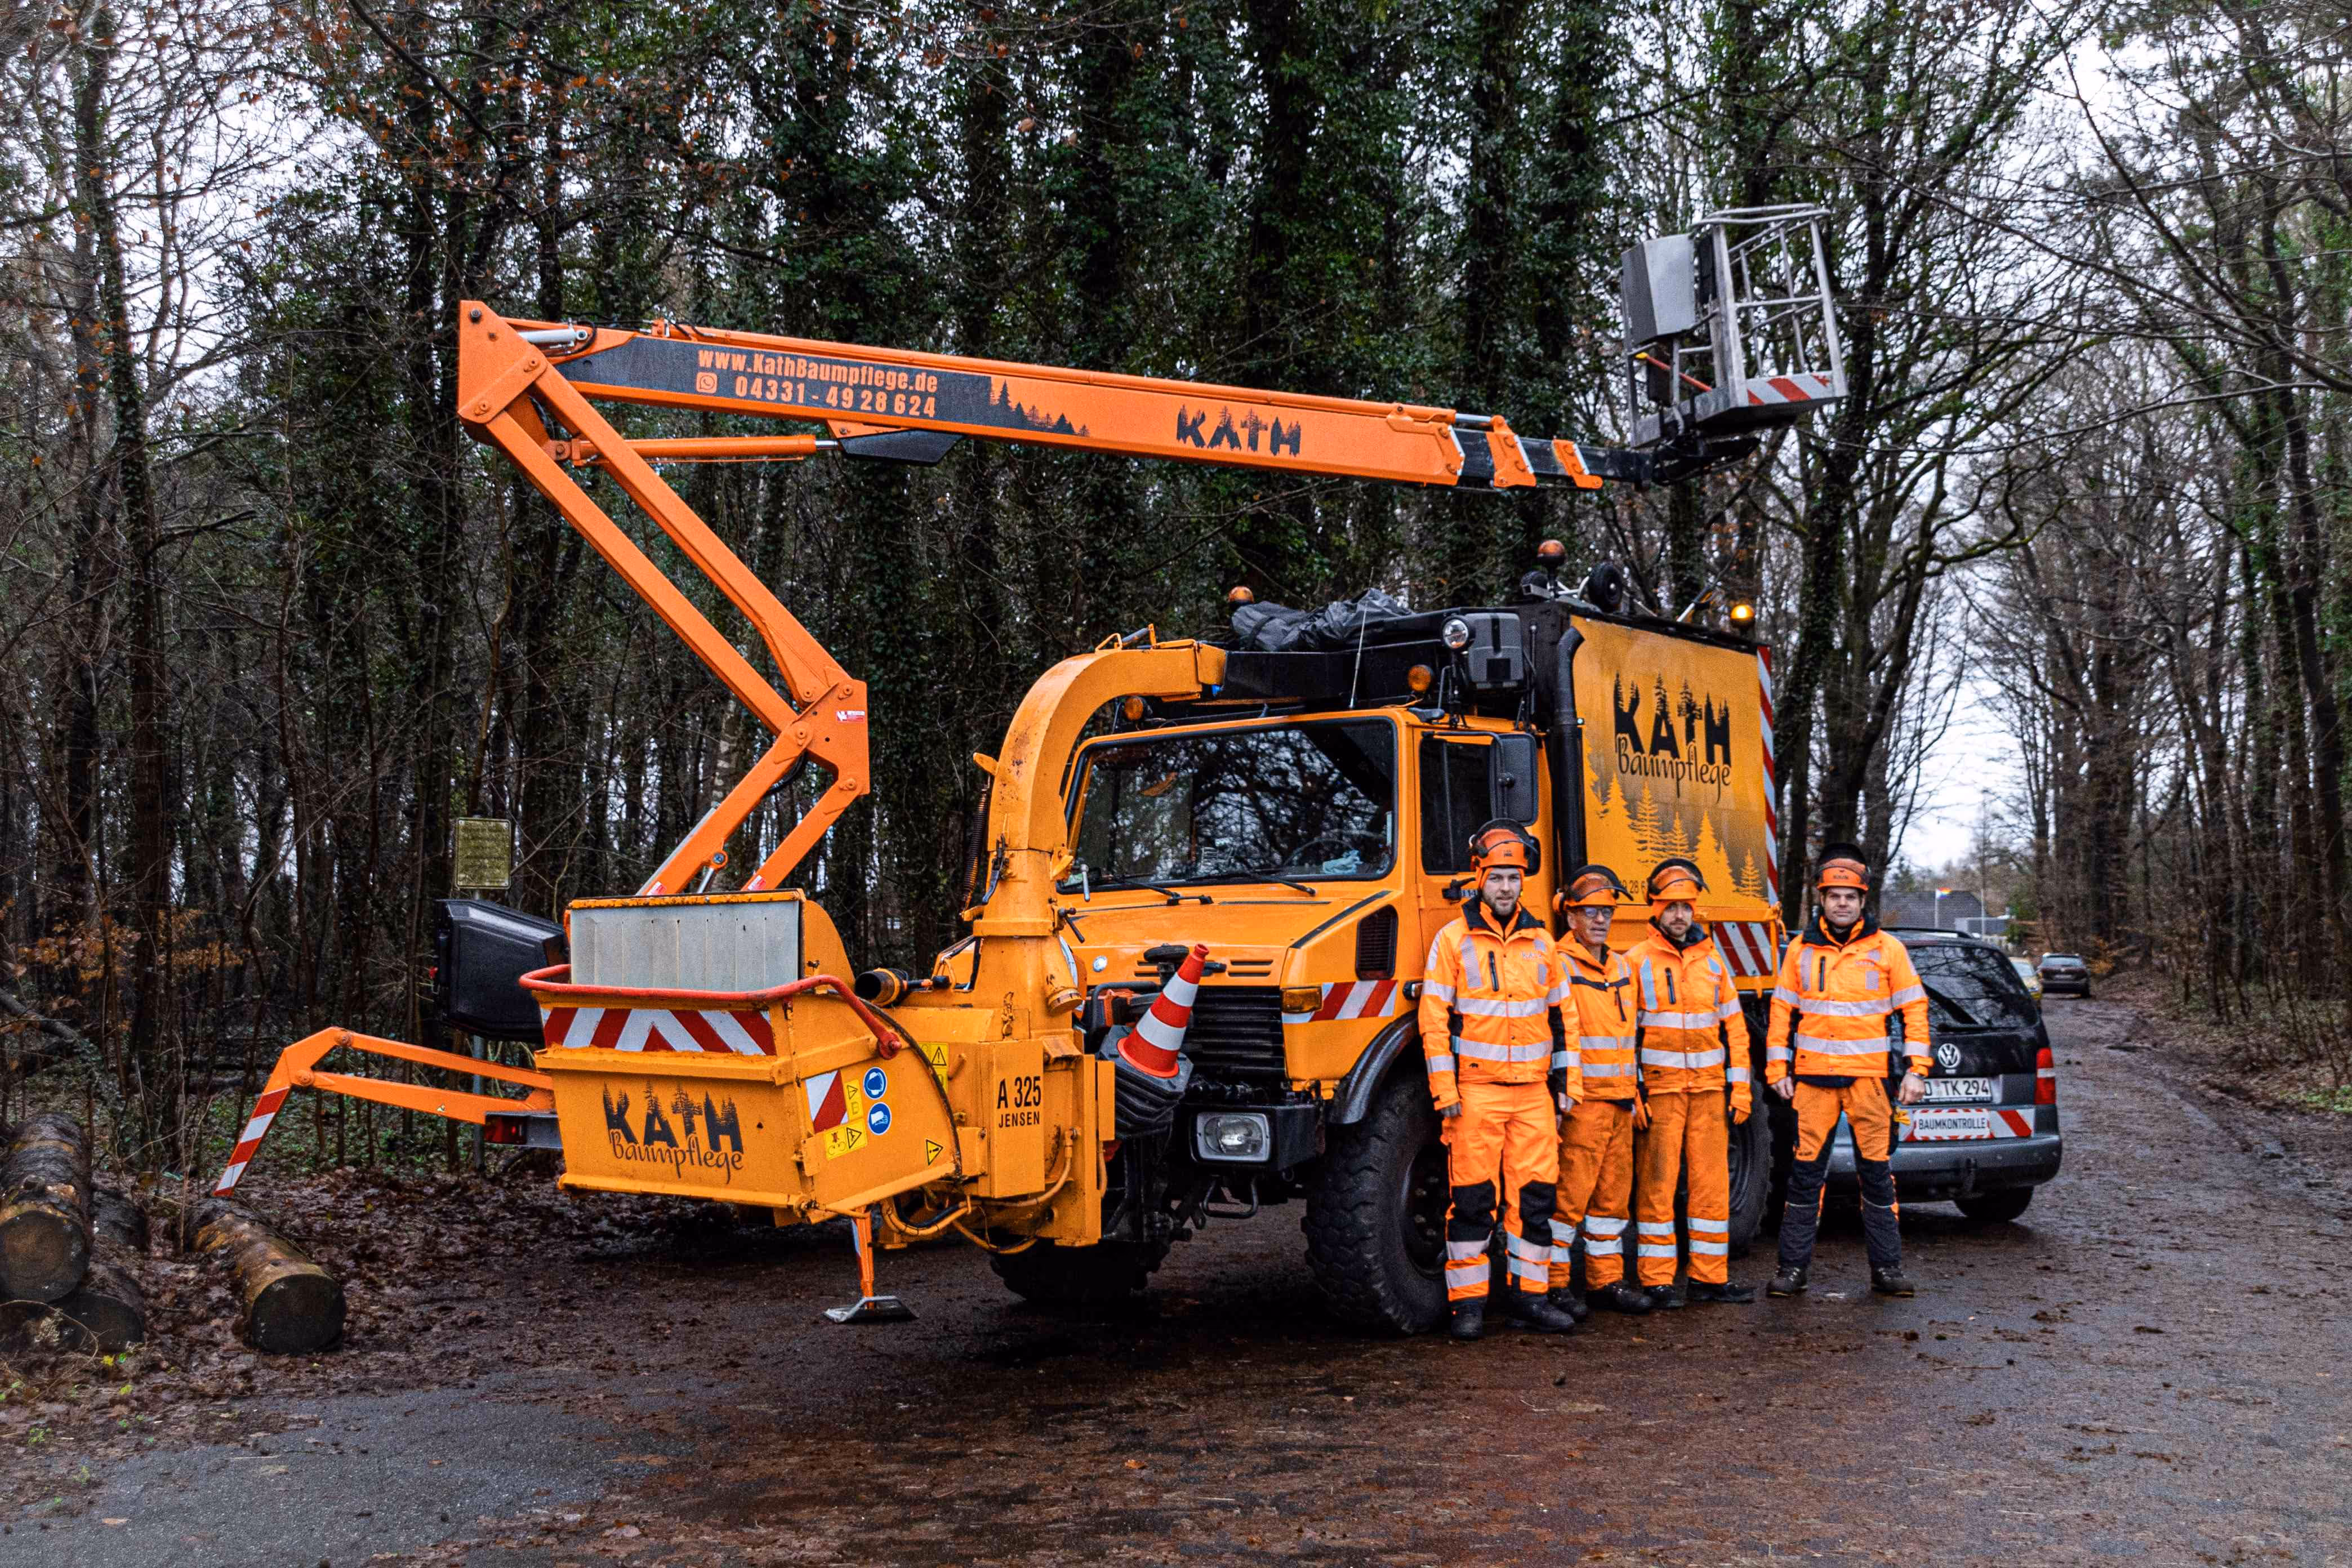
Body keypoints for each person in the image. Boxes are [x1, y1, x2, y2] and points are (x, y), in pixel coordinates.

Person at [1418, 822, 1583, 1339]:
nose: (1506, 887)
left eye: (1513, 878)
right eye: (1497, 878)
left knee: (1534, 1202)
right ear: (1480, 878)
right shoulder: (1454, 939)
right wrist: (1446, 1093)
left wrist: (1566, 1088)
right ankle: (1468, 1306)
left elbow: (1565, 1021)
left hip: (1535, 1095)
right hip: (1477, 1095)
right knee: (1471, 1202)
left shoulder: (1543, 943)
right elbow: (1434, 1019)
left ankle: (1529, 1300)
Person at [1765, 841, 1930, 1298]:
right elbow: (1781, 1013)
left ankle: (1887, 1270)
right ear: (1821, 900)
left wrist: (1917, 1069)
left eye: (1850, 897)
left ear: (1862, 901)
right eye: (1834, 896)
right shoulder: (1799, 951)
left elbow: (1914, 1010)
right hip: (1813, 1083)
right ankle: (1792, 1271)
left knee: (1876, 1176)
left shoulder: (1888, 950)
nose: (1842, 903)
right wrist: (1777, 1065)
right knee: (1804, 1178)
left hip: (1869, 1083)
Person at [1626, 858, 1756, 1308]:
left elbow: (1735, 1031)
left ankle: (1708, 1279)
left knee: (1711, 1187)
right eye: (1671, 907)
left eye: (1686, 906)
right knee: (1657, 1188)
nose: (1679, 915)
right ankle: (1658, 1281)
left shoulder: (1714, 963)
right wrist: (1635, 1091)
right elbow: (1626, 1036)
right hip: (1661, 1093)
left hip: (1707, 1093)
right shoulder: (1636, 962)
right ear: (1655, 909)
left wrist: (1739, 1088)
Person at [1544, 862, 1652, 1320]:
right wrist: (1561, 1096)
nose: (1600, 920)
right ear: (1571, 917)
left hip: (1621, 1101)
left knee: (1611, 1203)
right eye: (1590, 912)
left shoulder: (1623, 967)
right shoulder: (1558, 964)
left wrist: (1637, 1093)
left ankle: (1606, 1281)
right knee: (1568, 1199)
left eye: (1606, 912)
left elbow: (1635, 1035)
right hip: (1583, 1103)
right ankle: (1553, 1286)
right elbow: (1555, 1035)